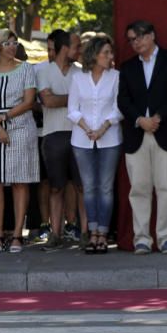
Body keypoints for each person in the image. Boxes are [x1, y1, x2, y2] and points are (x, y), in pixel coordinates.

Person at [118, 19, 167, 254]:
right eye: (131, 39)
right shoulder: (127, 67)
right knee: (139, 188)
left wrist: (158, 117)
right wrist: (140, 120)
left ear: (151, 35)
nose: (135, 43)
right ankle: (141, 239)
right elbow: (123, 100)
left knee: (166, 187)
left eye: (138, 37)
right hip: (137, 134)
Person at [0, 29, 39, 253]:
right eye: (7, 43)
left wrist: (4, 118)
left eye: (14, 42)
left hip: (20, 125)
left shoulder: (26, 69)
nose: (12, 46)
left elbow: (29, 100)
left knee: (20, 180)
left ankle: (17, 235)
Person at [68, 35, 122, 254]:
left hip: (110, 138)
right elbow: (72, 109)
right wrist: (86, 127)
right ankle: (92, 233)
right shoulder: (78, 78)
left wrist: (103, 128)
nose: (110, 57)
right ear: (94, 54)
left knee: (106, 187)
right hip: (82, 139)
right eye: (106, 53)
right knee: (89, 187)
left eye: (111, 53)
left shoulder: (116, 77)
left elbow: (119, 107)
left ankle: (103, 233)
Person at [37, 30, 86, 249]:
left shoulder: (81, 72)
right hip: (53, 135)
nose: (80, 50)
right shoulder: (44, 71)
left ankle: (85, 232)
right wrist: (76, 98)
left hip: (79, 135)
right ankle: (55, 233)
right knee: (56, 187)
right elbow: (47, 101)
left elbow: (56, 99)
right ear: (64, 47)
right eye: (76, 45)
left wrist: (61, 98)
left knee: (81, 186)